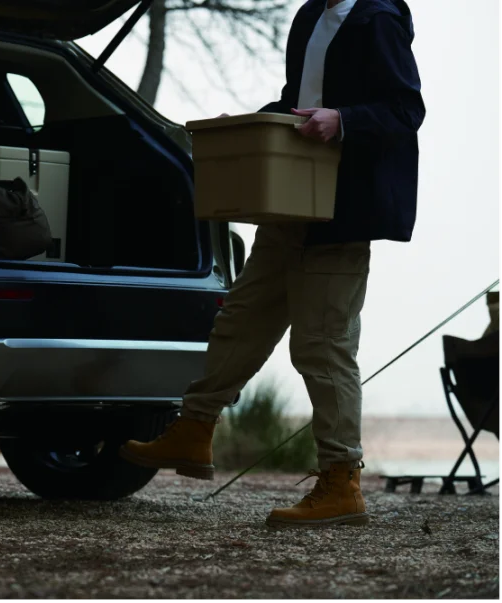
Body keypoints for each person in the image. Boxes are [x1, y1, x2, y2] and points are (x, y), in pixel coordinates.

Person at [120, 0, 425, 528]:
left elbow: (406, 110)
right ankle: (194, 429)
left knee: (321, 346)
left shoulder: (377, 19)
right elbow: (295, 104)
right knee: (241, 319)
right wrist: (244, 128)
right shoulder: (309, 17)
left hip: (343, 210)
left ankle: (342, 482)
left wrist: (343, 121)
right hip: (290, 201)